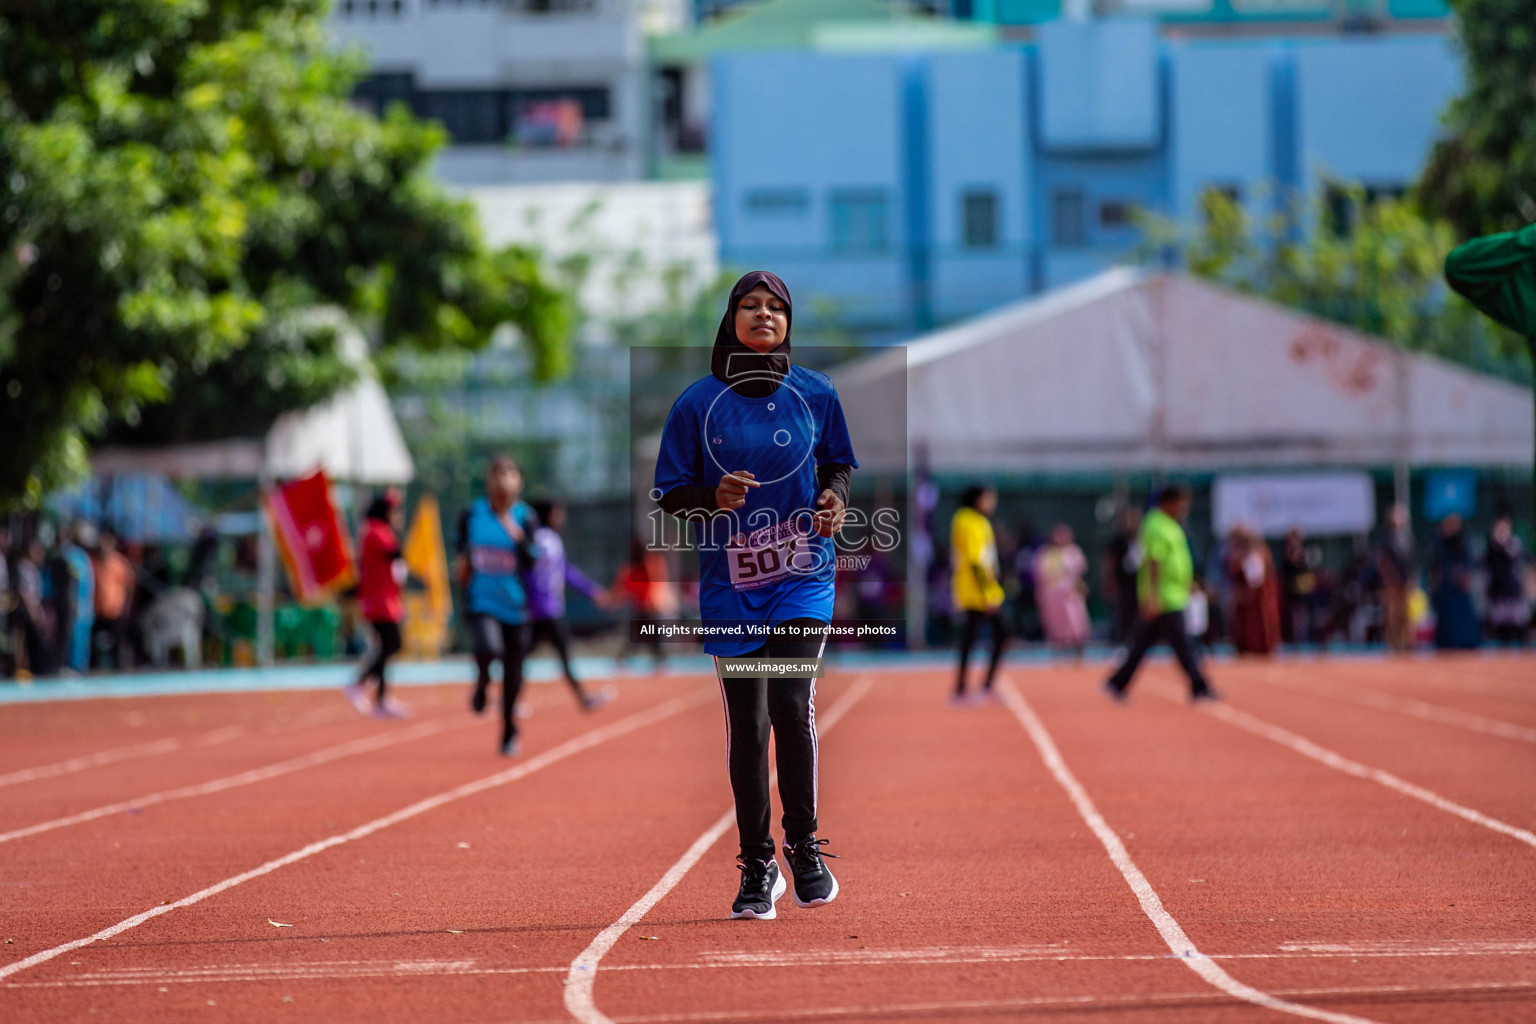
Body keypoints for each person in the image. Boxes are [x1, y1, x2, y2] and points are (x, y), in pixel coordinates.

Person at [653, 270, 856, 920]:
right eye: (750, 306)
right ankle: (758, 862)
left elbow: (838, 467)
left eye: (775, 307)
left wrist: (833, 503)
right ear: (731, 320)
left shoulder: (817, 395)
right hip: (732, 585)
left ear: (789, 322)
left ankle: (804, 846)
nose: (764, 314)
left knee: (792, 705)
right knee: (750, 724)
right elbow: (669, 495)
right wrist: (712, 498)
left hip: (801, 576)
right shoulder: (696, 404)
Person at [456, 455, 541, 756]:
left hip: (517, 606)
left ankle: (508, 730)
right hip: (482, 601)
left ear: (519, 481)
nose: (502, 479)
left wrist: (514, 532)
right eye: (496, 473)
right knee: (487, 648)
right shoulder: (472, 514)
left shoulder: (525, 517)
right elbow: (462, 554)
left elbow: (533, 560)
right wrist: (463, 567)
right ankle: (482, 681)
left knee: (514, 675)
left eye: (509, 473)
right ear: (488, 480)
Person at [1103, 484, 1217, 702]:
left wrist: (1188, 582)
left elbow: (1176, 561)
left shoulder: (1171, 525)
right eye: (1182, 503)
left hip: (1173, 594)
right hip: (1165, 598)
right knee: (1183, 645)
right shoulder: (1156, 525)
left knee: (1144, 644)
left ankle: (1117, 683)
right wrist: (1153, 596)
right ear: (1169, 502)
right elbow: (1154, 561)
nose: (1185, 508)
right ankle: (1199, 686)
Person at [526, 498, 615, 709]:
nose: (561, 518)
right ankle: (583, 699)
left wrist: (592, 591)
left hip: (543, 609)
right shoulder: (543, 540)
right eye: (558, 513)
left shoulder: (545, 539)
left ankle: (508, 700)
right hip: (545, 610)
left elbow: (565, 571)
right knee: (560, 655)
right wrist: (592, 592)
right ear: (548, 515)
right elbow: (535, 573)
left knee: (526, 655)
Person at [346, 490, 411, 718]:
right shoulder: (376, 530)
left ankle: (382, 699)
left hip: (387, 599)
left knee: (387, 646)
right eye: (394, 510)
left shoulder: (380, 530)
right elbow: (395, 554)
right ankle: (360, 682)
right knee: (392, 643)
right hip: (378, 600)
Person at [950, 485, 1010, 703]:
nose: (992, 503)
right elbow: (976, 561)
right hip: (976, 592)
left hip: (982, 589)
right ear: (978, 500)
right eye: (989, 498)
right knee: (990, 635)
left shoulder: (976, 520)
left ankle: (973, 687)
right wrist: (987, 594)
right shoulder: (969, 521)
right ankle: (967, 689)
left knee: (981, 636)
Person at [611, 539, 678, 672]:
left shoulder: (651, 563)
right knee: (640, 636)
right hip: (642, 608)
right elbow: (624, 586)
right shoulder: (633, 568)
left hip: (649, 608)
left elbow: (657, 583)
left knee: (647, 636)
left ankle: (658, 661)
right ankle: (656, 661)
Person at [1033, 523, 1090, 656]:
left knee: (1075, 619)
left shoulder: (1073, 551)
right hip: (1051, 595)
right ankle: (1059, 648)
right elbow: (1040, 576)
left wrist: (1079, 587)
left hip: (1069, 593)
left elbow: (1078, 574)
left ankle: (1078, 646)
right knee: (1055, 621)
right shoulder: (1045, 553)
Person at [1224, 523, 1281, 656]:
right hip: (1243, 596)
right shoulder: (1235, 554)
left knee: (1258, 623)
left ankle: (1261, 648)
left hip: (1256, 597)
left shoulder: (1259, 553)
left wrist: (1248, 592)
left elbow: (1257, 578)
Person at [1429, 515, 1481, 651]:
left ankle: (1466, 642)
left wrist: (1465, 576)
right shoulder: (1439, 542)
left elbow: (1469, 563)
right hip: (1446, 590)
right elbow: (1435, 567)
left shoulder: (1464, 540)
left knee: (1463, 623)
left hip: (1460, 590)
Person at [1375, 504, 1416, 653]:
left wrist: (1411, 577)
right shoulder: (1386, 537)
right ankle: (1393, 644)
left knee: (1407, 614)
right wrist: (1390, 577)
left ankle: (1408, 643)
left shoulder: (1407, 537)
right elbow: (1383, 561)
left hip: (1405, 581)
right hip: (1392, 582)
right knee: (1393, 613)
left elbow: (1412, 559)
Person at [91, 530, 135, 670]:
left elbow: (129, 585)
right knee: (95, 643)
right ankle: (95, 668)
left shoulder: (119, 563)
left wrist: (126, 605)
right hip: (98, 610)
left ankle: (120, 667)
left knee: (119, 641)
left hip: (116, 609)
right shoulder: (94, 563)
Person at [1484, 512, 1528, 644]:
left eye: (1505, 528)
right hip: (1498, 594)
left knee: (1517, 629)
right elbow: (1487, 570)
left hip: (1513, 593)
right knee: (1500, 631)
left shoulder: (1514, 544)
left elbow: (1518, 565)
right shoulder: (1491, 547)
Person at [1102, 507, 1143, 646]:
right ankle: (1123, 642)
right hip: (1124, 584)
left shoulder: (1144, 540)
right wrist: (1110, 582)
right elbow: (1109, 563)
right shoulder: (1117, 542)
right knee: (1124, 615)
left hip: (1142, 584)